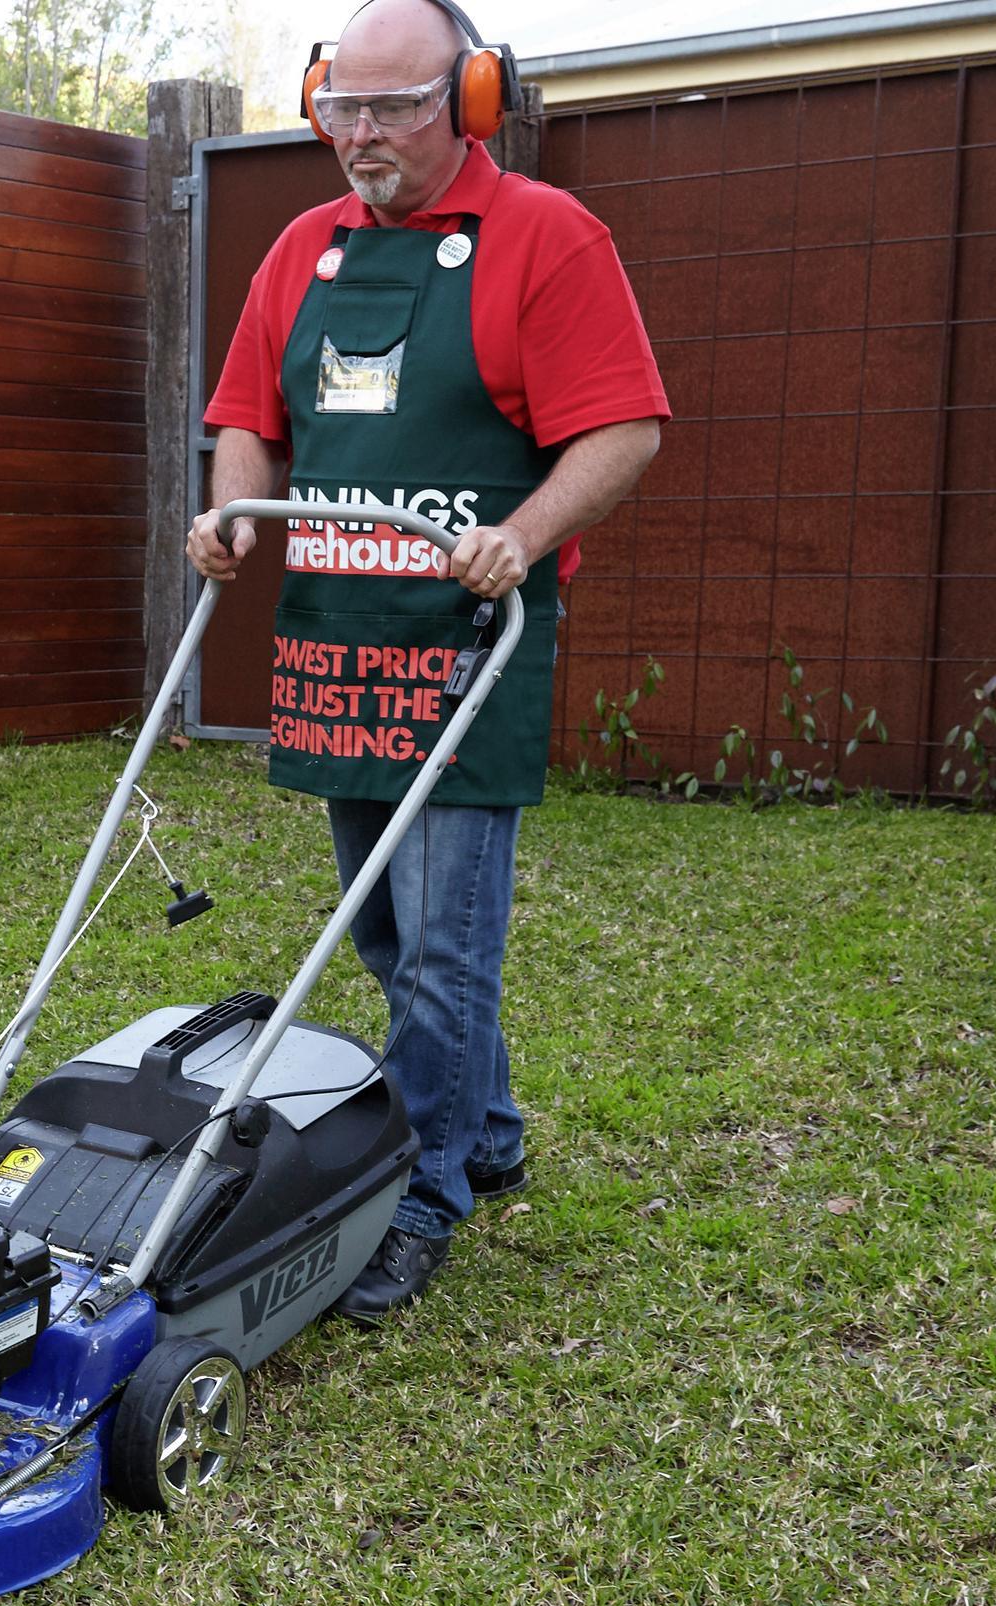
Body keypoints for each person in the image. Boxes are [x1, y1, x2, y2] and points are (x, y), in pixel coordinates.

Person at [186, 0, 666, 1322]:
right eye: (339, 105)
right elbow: (248, 420)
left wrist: (521, 533)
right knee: (389, 931)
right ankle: (492, 1126)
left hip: (469, 647)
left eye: (393, 109)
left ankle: (424, 1193)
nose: (358, 135)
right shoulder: (300, 253)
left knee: (448, 948)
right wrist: (233, 509)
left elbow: (622, 429)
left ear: (469, 102)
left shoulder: (550, 241)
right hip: (341, 641)